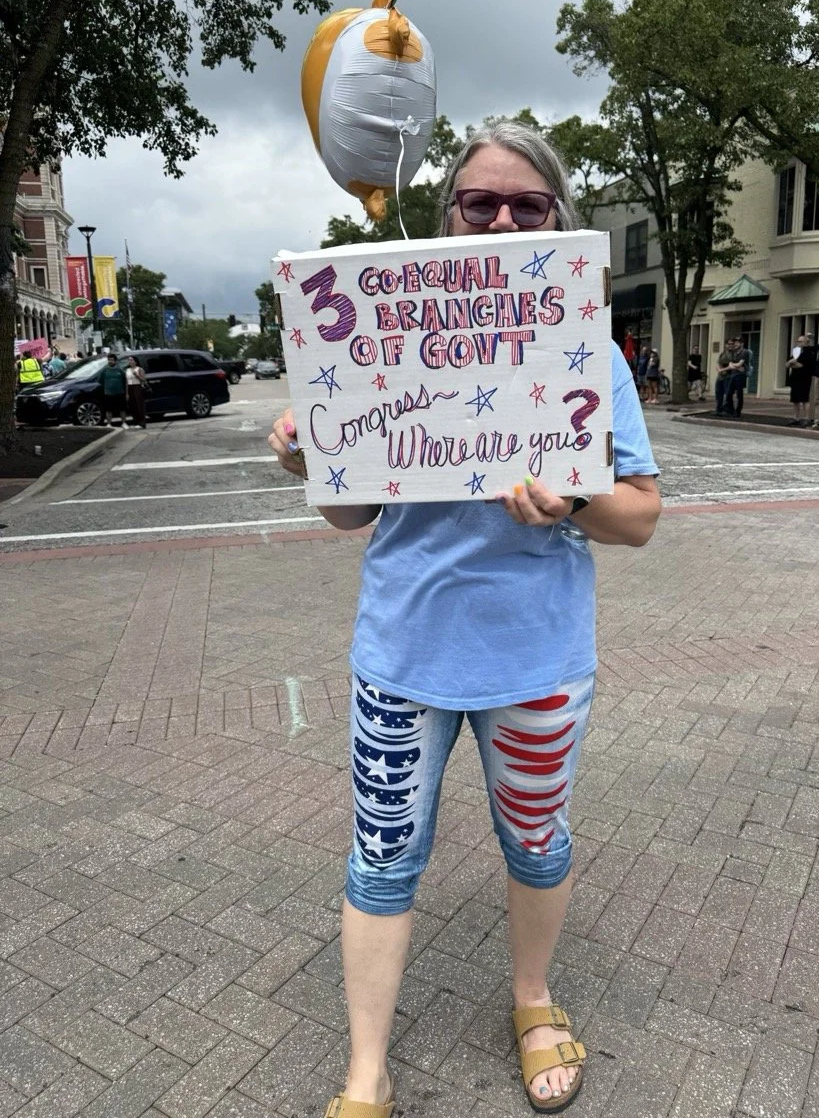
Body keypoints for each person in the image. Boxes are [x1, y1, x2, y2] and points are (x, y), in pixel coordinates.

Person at [269, 123, 662, 1118]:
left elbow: (641, 516)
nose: (500, 219)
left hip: (535, 654)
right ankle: (367, 1069)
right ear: (447, 216)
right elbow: (352, 514)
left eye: (526, 206)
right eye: (480, 202)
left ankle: (533, 999)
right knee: (383, 853)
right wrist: (308, 461)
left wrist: (572, 499)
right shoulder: (387, 336)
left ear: (558, 220)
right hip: (405, 650)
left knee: (535, 841)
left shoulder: (588, 356)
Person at [786, 335, 815, 426]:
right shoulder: (795, 352)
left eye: (801, 341)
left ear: (806, 342)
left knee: (804, 399)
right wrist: (792, 362)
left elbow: (802, 366)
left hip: (805, 378)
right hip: (795, 378)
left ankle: (806, 418)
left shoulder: (809, 352)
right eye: (798, 341)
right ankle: (795, 417)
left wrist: (794, 363)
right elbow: (787, 364)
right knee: (795, 399)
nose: (799, 343)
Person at [97, 352, 127, 426]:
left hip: (120, 392)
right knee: (108, 409)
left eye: (112, 360)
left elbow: (125, 380)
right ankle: (109, 423)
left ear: (115, 361)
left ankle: (124, 422)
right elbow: (100, 380)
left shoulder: (120, 369)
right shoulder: (104, 370)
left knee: (122, 409)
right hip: (108, 393)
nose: (110, 361)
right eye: (109, 360)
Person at [726, 335, 753, 419]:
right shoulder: (734, 352)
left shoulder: (745, 352)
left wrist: (735, 365)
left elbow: (740, 364)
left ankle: (738, 411)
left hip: (740, 375)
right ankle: (731, 410)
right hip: (733, 374)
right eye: (735, 343)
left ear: (742, 344)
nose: (735, 344)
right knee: (729, 394)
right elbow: (730, 364)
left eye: (738, 343)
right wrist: (735, 366)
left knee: (739, 394)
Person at [714, 338, 737, 416]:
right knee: (718, 393)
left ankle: (728, 410)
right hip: (720, 376)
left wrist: (723, 370)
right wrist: (719, 370)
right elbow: (718, 363)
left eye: (732, 344)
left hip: (729, 376)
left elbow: (732, 365)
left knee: (728, 394)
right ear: (725, 345)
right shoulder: (722, 353)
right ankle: (718, 409)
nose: (730, 346)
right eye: (728, 344)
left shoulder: (735, 354)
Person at [125, 356, 148, 428]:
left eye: (131, 360)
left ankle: (142, 422)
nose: (130, 361)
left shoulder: (139, 369)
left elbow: (143, 380)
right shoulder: (127, 370)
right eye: (129, 360)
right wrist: (127, 393)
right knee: (132, 405)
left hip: (137, 386)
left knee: (139, 405)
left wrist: (137, 375)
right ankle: (136, 422)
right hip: (130, 387)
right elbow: (126, 382)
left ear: (135, 361)